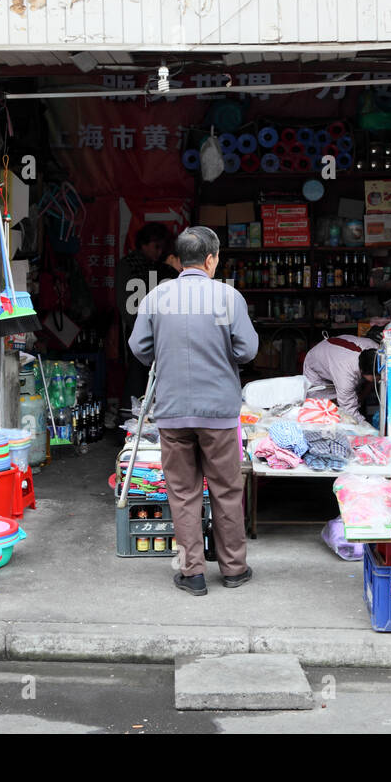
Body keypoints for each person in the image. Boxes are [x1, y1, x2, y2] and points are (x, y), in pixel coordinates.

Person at [129, 226, 258, 596]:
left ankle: (193, 573)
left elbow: (140, 346)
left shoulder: (156, 297)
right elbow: (247, 351)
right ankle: (234, 569)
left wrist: (166, 353)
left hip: (172, 411)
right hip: (219, 412)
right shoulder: (228, 297)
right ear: (210, 259)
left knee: (183, 493)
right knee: (227, 491)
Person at [115, 222, 180, 405]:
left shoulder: (160, 268)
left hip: (161, 331)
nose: (159, 252)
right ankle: (132, 419)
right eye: (155, 246)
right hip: (137, 329)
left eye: (161, 247)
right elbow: (126, 305)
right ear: (144, 244)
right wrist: (141, 328)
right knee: (137, 376)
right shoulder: (128, 266)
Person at [302, 333, 380, 421]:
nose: (380, 378)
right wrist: (368, 430)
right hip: (317, 364)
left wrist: (360, 398)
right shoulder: (345, 377)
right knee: (326, 410)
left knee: (354, 397)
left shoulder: (378, 350)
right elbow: (350, 412)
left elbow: (372, 379)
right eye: (378, 376)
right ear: (362, 372)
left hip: (335, 352)